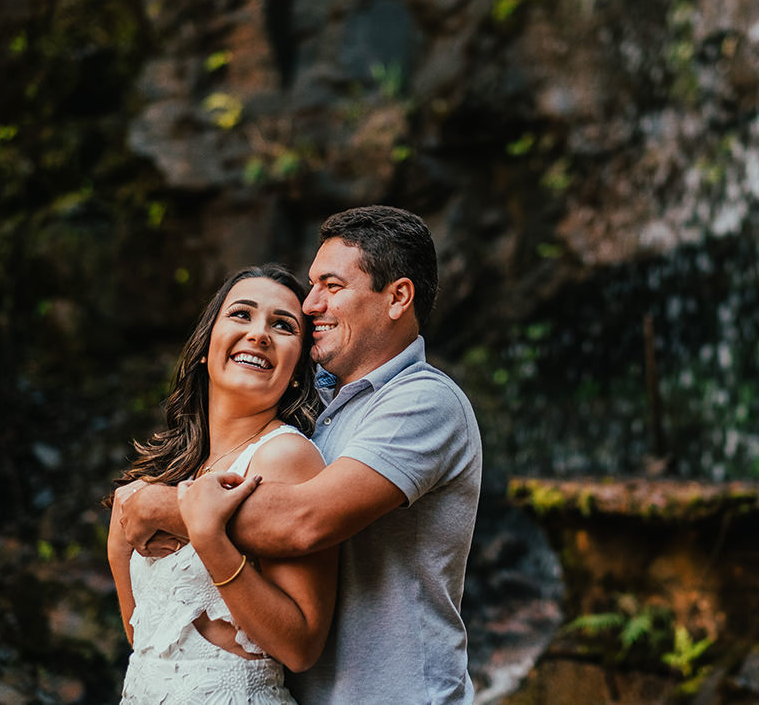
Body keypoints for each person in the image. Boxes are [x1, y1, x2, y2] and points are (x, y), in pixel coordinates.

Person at [119, 205, 483, 704]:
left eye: (331, 286)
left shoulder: (423, 401)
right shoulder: (319, 411)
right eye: (312, 287)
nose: (312, 305)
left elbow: (304, 522)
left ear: (397, 296)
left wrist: (158, 506)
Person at [107, 264, 339, 703]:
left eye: (283, 326)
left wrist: (209, 536)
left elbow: (300, 646)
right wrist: (119, 544)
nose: (259, 334)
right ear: (203, 348)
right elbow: (146, 644)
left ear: (296, 369)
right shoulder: (175, 473)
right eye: (241, 315)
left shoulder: (285, 456)